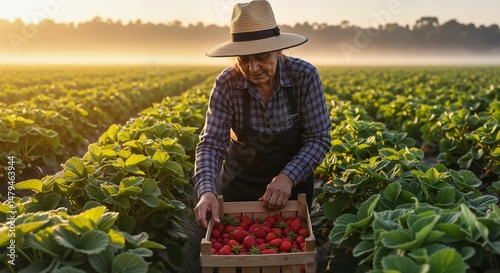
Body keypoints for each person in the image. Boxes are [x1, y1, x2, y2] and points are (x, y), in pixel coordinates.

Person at [193, 0, 331, 229]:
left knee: (290, 247)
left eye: (262, 57)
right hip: (240, 183)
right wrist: (206, 191)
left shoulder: (304, 76)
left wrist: (288, 177)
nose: (253, 68)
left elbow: (319, 138)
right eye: (244, 59)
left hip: (292, 186)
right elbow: (211, 144)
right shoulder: (227, 83)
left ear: (278, 50)